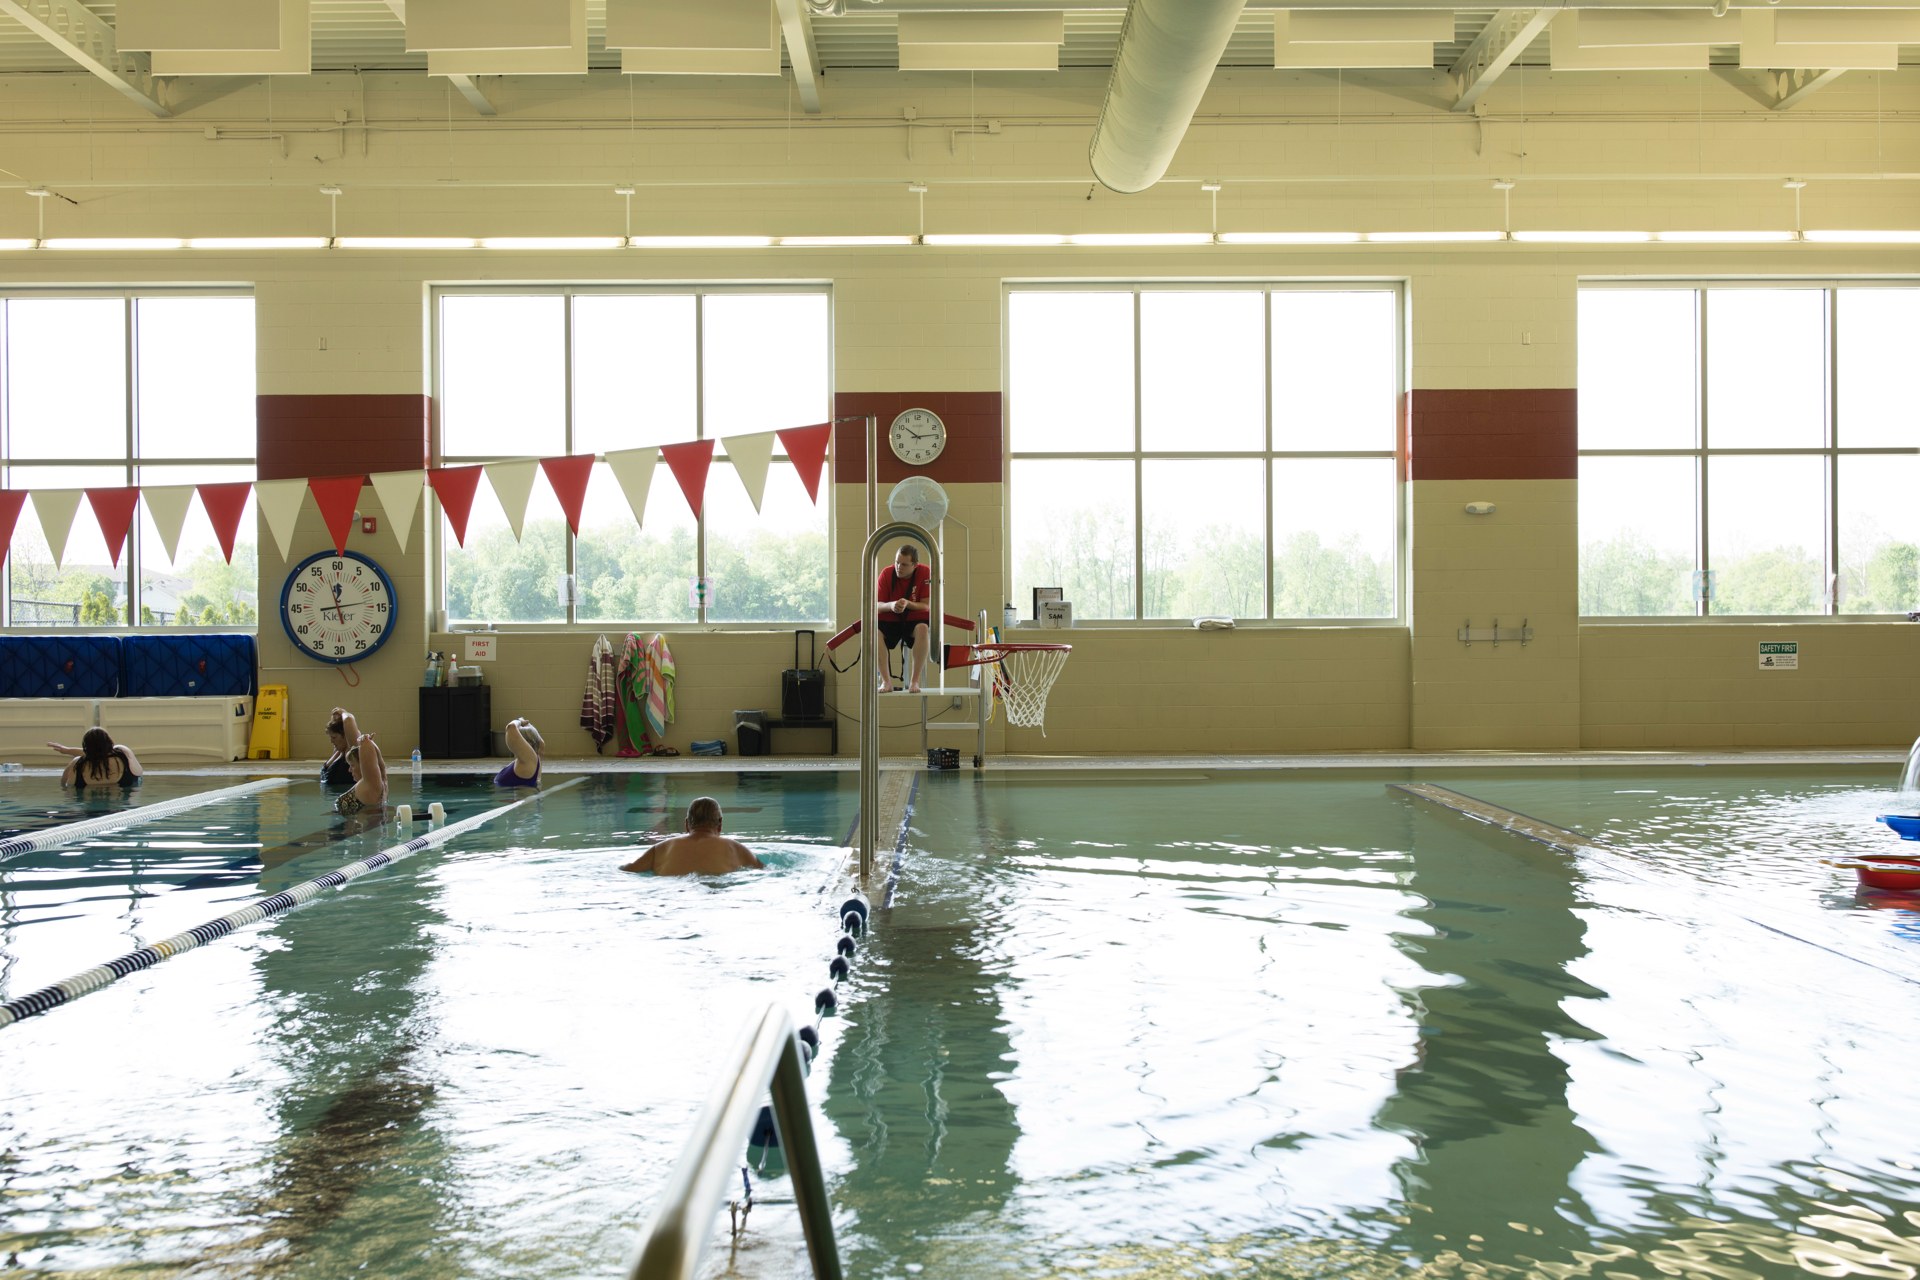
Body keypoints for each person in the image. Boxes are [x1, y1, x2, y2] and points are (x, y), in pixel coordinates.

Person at [621, 797, 764, 876]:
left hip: (673, 892)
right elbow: (763, 872)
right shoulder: (736, 849)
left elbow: (628, 870)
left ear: (686, 824)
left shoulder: (661, 849)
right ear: (720, 824)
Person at [874, 542, 932, 694]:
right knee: (874, 633)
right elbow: (877, 606)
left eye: (904, 564)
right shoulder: (886, 574)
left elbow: (926, 605)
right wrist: (892, 605)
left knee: (923, 628)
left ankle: (914, 681)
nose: (899, 567)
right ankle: (886, 681)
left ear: (915, 565)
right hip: (890, 620)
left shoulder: (925, 572)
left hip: (914, 620)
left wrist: (907, 603)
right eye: (897, 562)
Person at [48, 729, 143, 789]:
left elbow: (64, 786)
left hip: (89, 811)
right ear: (109, 742)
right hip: (123, 811)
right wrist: (67, 750)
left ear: (86, 747)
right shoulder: (124, 753)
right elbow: (102, 752)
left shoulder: (77, 764)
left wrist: (67, 750)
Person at [335, 730, 388, 817]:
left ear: (362, 765)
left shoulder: (370, 785)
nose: (349, 770)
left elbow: (367, 747)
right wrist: (371, 743)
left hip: (356, 824)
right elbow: (381, 766)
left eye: (352, 765)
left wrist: (364, 740)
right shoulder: (382, 784)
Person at [495, 718, 542, 789]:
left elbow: (511, 727)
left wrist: (519, 721)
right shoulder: (531, 759)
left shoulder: (528, 760)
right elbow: (541, 742)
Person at [321, 707, 355, 787]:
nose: (331, 741)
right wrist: (335, 720)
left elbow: (349, 720)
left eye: (334, 737)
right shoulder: (337, 752)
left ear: (346, 736)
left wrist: (343, 713)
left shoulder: (351, 753)